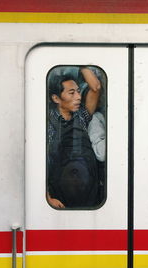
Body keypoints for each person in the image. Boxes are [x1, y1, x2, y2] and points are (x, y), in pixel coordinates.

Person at [47, 67, 101, 209]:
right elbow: (38, 164)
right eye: (71, 93)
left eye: (78, 91)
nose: (78, 97)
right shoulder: (46, 124)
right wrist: (48, 198)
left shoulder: (82, 115)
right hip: (59, 200)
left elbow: (95, 88)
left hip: (89, 194)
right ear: (56, 98)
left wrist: (81, 64)